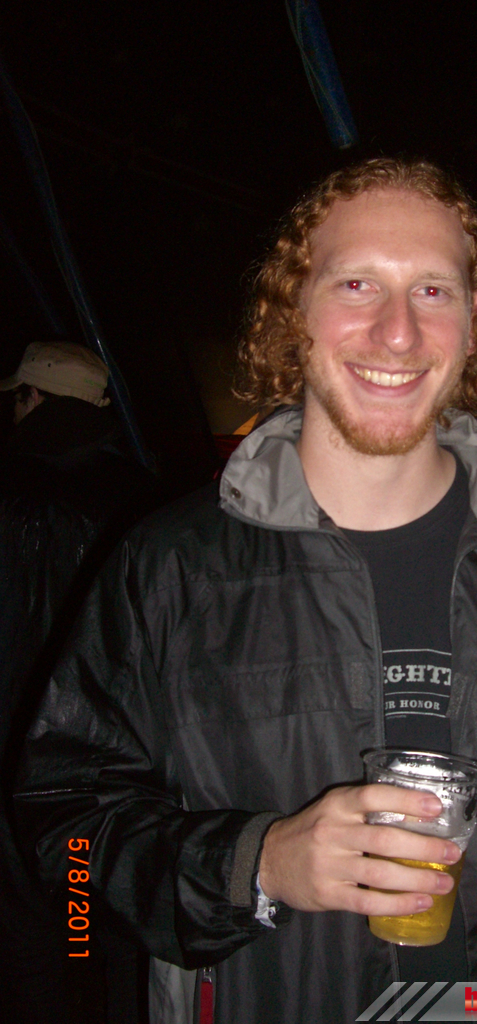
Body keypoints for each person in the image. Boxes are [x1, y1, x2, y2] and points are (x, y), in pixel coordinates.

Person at [15, 161, 477, 1024]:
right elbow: (64, 844)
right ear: (295, 312)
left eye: (433, 290)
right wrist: (256, 864)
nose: (398, 332)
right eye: (357, 283)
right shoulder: (170, 566)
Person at [0, 340, 155, 1023]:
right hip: (110, 768)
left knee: (31, 936)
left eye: (21, 396)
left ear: (37, 398)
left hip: (17, 761)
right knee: (97, 924)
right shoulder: (148, 502)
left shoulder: (10, 491)